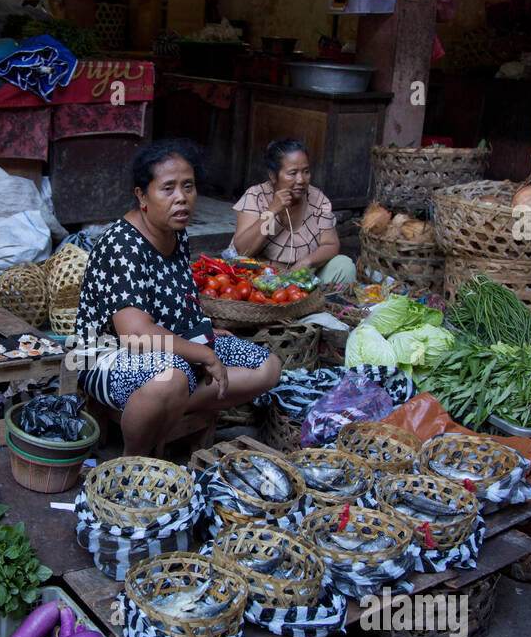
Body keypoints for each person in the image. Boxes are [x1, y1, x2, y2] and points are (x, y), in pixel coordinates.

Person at [74, 139, 282, 456]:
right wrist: (202, 353)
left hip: (170, 341)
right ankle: (133, 460)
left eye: (188, 187)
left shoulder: (175, 232)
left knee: (267, 367)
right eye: (167, 188)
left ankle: (163, 410)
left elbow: (175, 298)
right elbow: (135, 334)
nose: (181, 198)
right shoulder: (123, 245)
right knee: (171, 377)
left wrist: (203, 329)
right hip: (104, 353)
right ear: (142, 195)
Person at [226, 138, 356, 286]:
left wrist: (307, 262)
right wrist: (272, 211)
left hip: (303, 276)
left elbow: (331, 244)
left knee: (344, 266)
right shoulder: (257, 196)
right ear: (273, 175)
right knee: (239, 264)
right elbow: (243, 250)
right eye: (292, 173)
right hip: (261, 276)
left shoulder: (318, 199)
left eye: (306, 171)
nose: (301, 180)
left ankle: (315, 303)